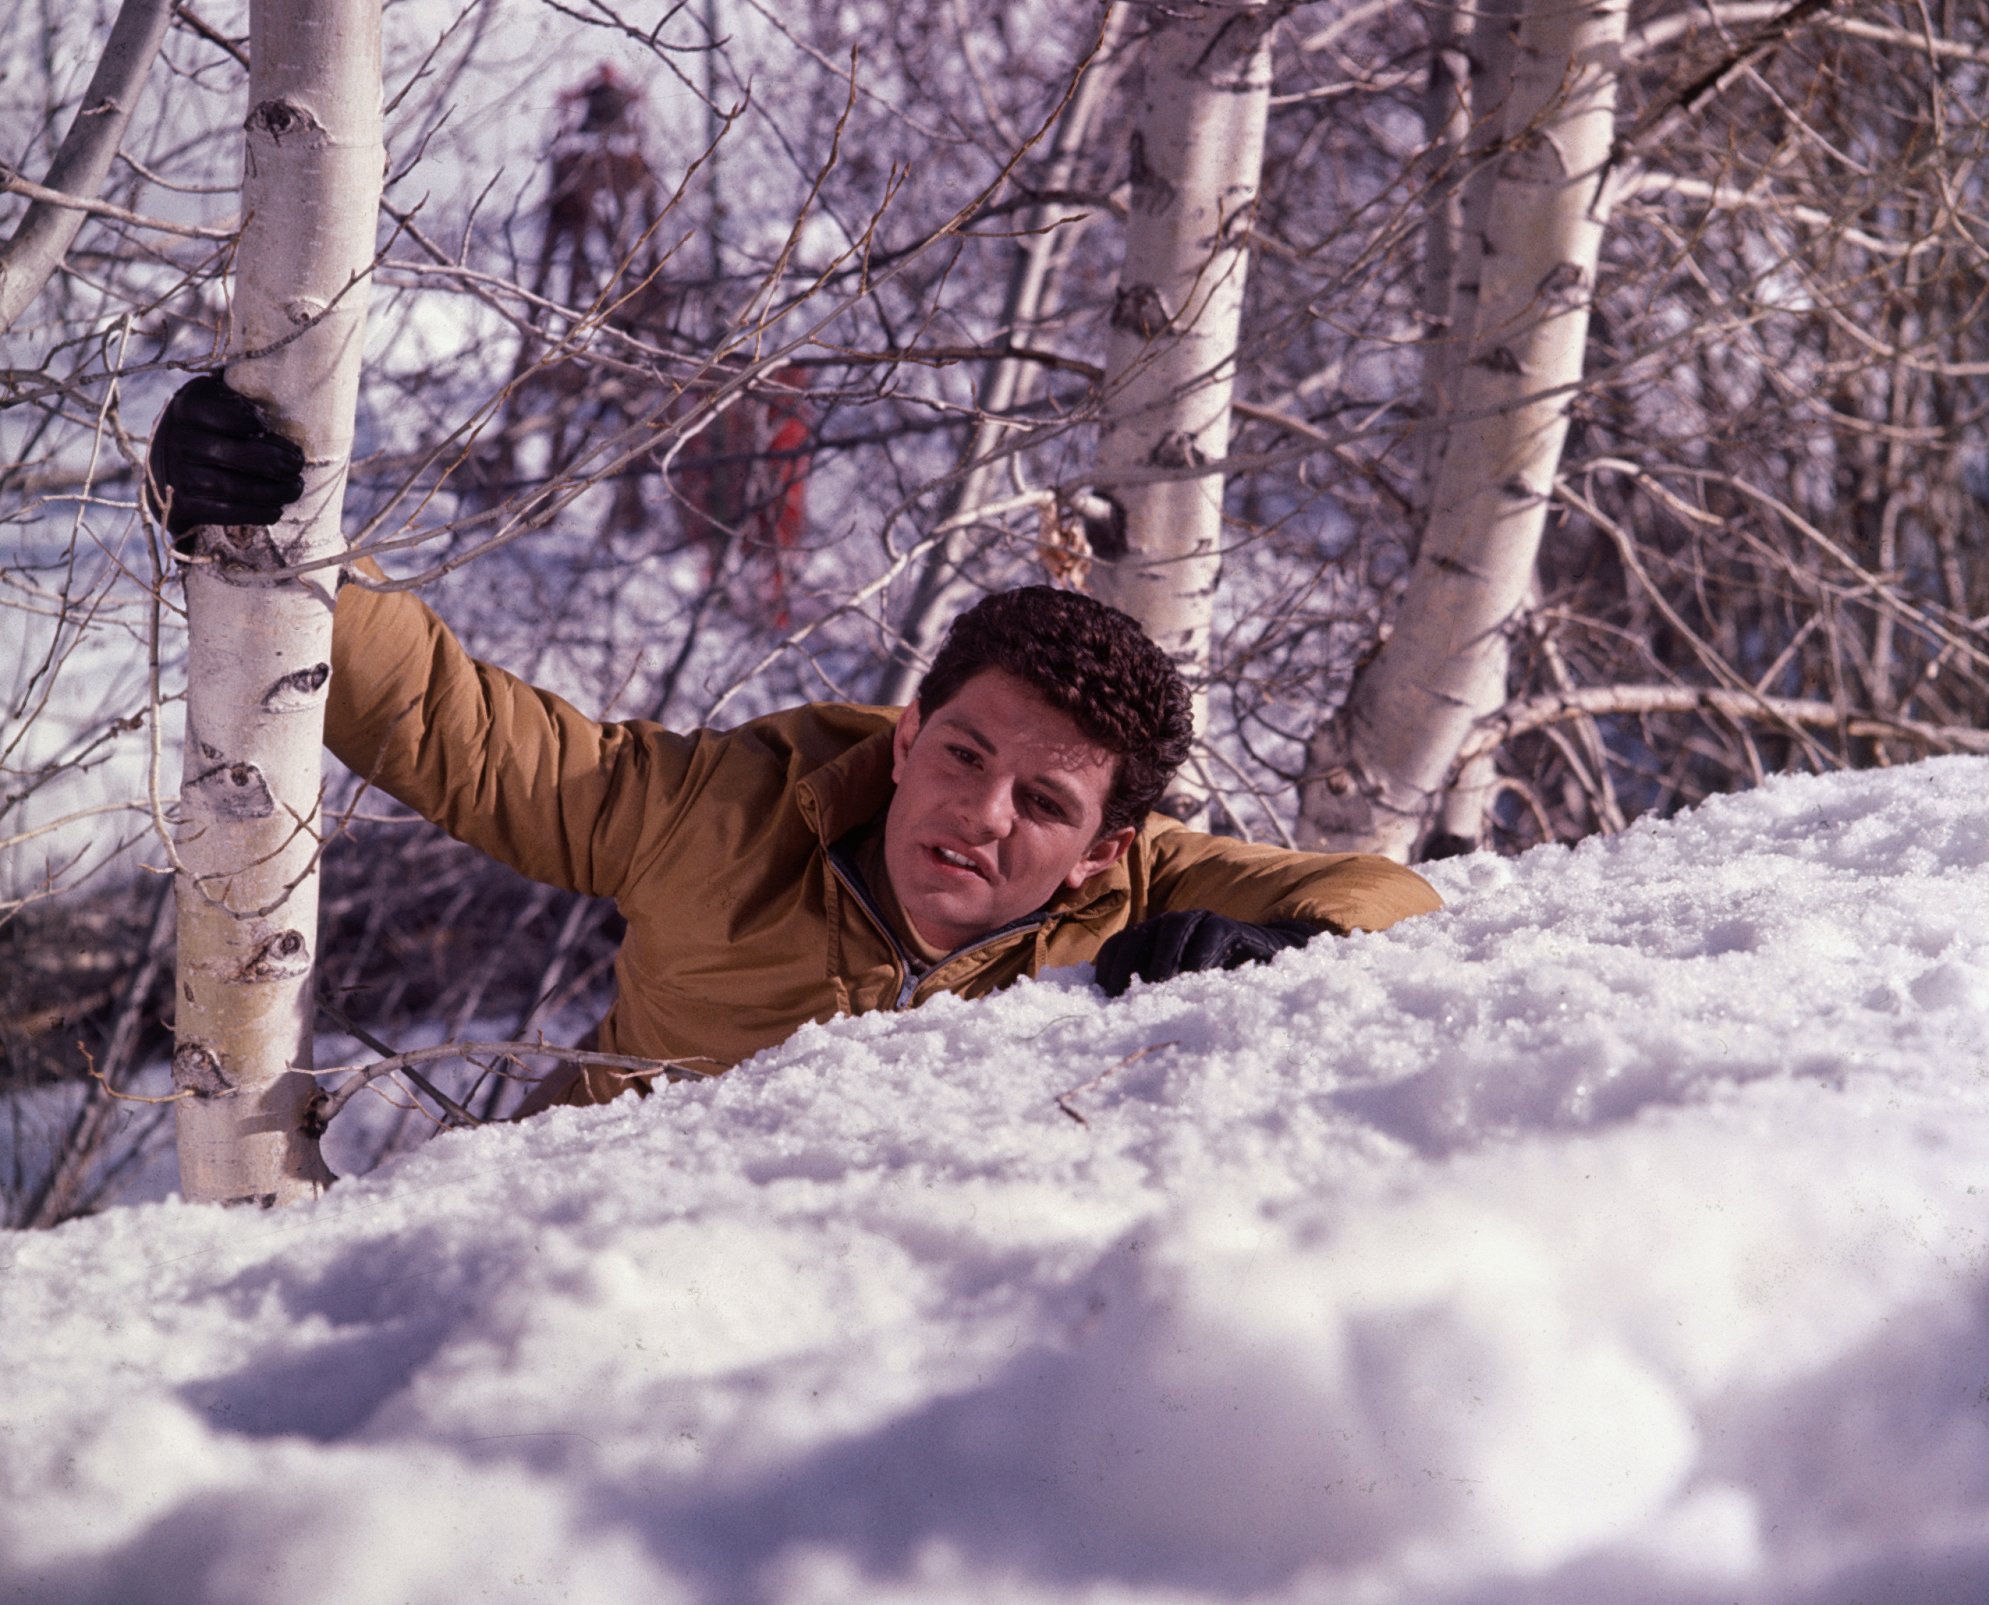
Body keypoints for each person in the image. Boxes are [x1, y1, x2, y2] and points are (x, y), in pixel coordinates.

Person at [150, 377, 1442, 1113]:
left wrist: (1296, 949)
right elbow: (462, 730)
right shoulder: (721, 815)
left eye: (1041, 802)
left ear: (1103, 854)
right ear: (906, 735)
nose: (982, 812)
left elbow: (1393, 898)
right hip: (561, 1263)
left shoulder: (1140, 895)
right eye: (964, 754)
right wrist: (263, 533)